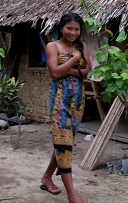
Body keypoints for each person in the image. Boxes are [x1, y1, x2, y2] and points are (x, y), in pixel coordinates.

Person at [40, 12, 92, 203]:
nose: (73, 32)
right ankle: (72, 195)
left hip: (77, 100)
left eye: (77, 29)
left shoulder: (82, 46)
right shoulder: (52, 46)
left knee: (65, 143)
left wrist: (67, 68)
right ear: (61, 28)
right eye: (69, 28)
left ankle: (47, 178)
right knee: (63, 143)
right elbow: (54, 73)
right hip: (60, 100)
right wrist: (75, 59)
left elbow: (87, 71)